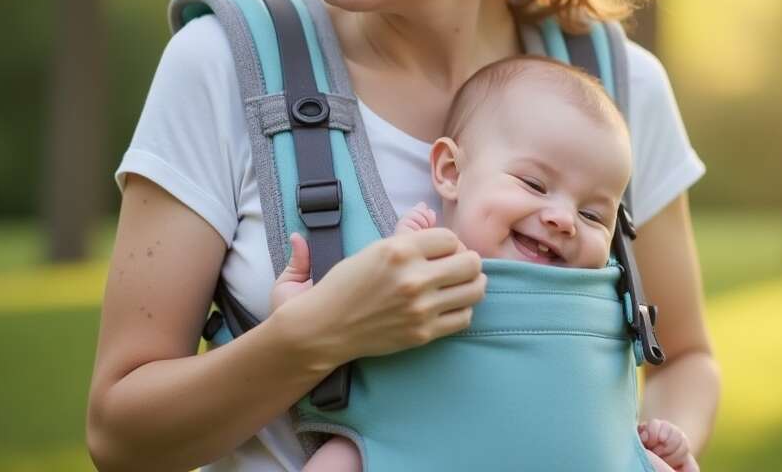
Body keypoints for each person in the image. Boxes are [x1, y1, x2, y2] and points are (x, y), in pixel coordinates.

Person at [86, 0, 719, 470]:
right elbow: (120, 437)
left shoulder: (617, 90)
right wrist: (317, 334)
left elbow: (684, 358)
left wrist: (661, 448)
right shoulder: (224, 69)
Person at [268, 56, 694, 471]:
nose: (564, 220)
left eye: (592, 215)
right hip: (404, 441)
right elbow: (329, 331)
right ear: (451, 172)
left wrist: (657, 453)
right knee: (341, 456)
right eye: (534, 184)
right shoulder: (412, 268)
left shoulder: (597, 299)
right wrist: (300, 311)